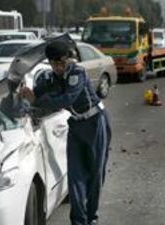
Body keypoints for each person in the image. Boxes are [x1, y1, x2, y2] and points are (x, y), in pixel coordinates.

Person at [20, 41, 111, 225]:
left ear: (68, 59)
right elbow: (38, 93)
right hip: (76, 126)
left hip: (95, 122)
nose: (59, 67)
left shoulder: (77, 72)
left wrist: (37, 100)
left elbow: (67, 98)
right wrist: (27, 95)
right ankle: (78, 221)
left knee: (95, 173)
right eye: (55, 64)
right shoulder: (50, 77)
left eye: (62, 62)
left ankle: (91, 216)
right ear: (50, 63)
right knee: (75, 175)